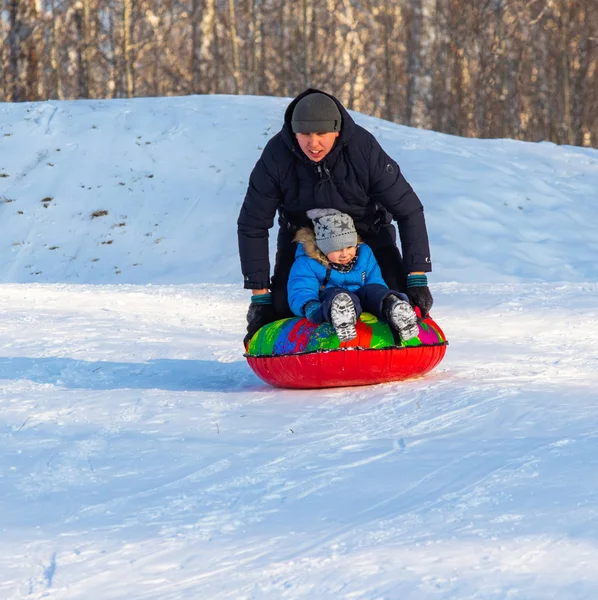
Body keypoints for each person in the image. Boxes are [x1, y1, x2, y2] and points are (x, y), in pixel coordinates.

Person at [238, 88, 433, 346]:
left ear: (337, 131)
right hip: (305, 248)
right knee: (284, 305)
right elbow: (253, 223)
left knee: (397, 294)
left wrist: (416, 278)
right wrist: (260, 297)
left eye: (321, 134)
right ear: (294, 132)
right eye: (305, 134)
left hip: (367, 242)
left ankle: (397, 319)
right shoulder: (277, 156)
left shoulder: (364, 149)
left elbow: (409, 210)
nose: (313, 143)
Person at [288, 209, 419, 343]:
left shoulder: (364, 253)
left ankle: (393, 307)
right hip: (331, 299)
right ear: (323, 248)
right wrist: (310, 307)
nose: (345, 254)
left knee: (374, 290)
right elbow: (301, 289)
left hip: (362, 297)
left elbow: (375, 281)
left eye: (350, 246)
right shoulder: (307, 262)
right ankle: (342, 315)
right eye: (337, 249)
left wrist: (381, 295)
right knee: (335, 294)